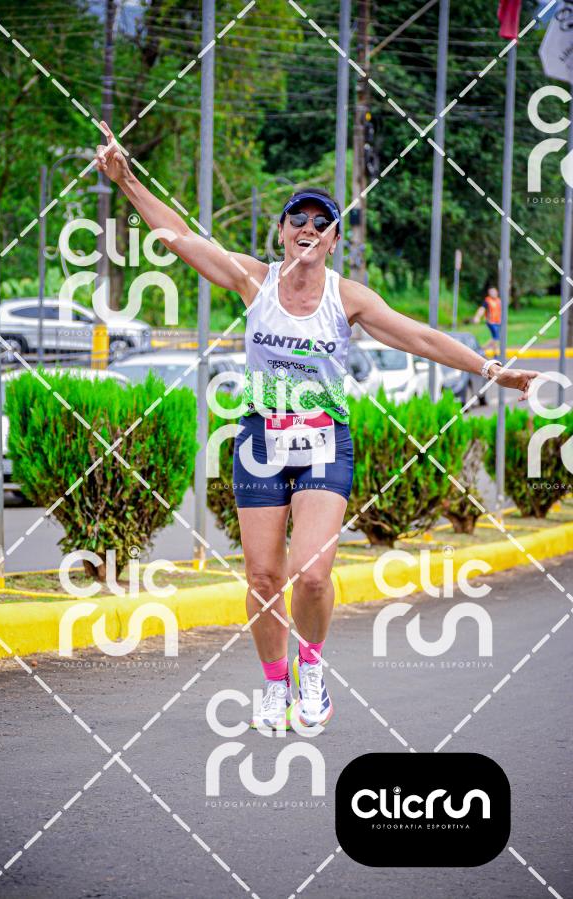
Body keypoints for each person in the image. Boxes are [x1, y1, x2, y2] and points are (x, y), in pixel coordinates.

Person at [95, 121, 541, 733]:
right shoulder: (253, 280)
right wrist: (126, 180)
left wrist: (491, 369)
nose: (308, 229)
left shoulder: (347, 298)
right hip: (260, 439)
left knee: (311, 575)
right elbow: (179, 238)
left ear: (332, 240)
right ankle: (273, 685)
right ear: (282, 232)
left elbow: (421, 337)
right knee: (262, 577)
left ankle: (311, 669)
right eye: (297, 220)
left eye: (321, 223)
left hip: (324, 440)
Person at [473, 286, 502, 355]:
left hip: (498, 322)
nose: (493, 293)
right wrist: (477, 317)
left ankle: (494, 353)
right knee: (496, 337)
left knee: (495, 338)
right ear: (489, 293)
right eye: (491, 292)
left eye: (494, 291)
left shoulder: (499, 300)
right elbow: (482, 309)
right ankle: (483, 349)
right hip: (491, 322)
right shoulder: (487, 301)